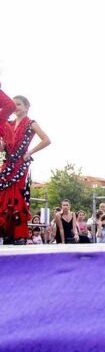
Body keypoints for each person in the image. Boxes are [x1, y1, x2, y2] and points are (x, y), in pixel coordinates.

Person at [0, 95, 51, 245]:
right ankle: (6, 233)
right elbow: (3, 145)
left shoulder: (31, 123)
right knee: (3, 197)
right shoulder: (7, 123)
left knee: (17, 197)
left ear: (27, 107)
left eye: (19, 104)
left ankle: (19, 235)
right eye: (14, 104)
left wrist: (30, 153)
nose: (16, 107)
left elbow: (46, 139)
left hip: (21, 164)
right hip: (7, 163)